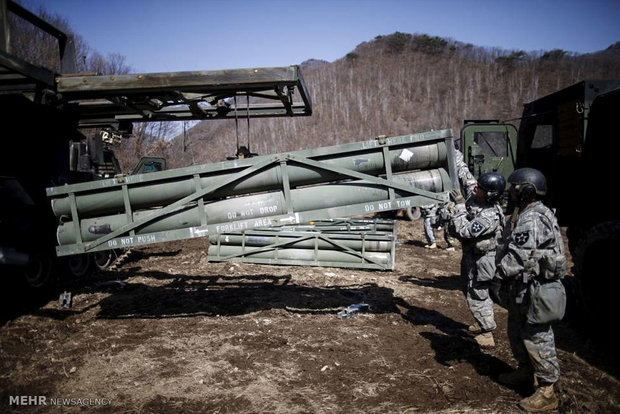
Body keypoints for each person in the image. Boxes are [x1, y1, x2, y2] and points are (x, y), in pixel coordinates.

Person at [495, 168, 566, 412]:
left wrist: (496, 274)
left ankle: (547, 391)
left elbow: (519, 256)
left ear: (527, 190)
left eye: (514, 187)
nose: (510, 192)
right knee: (516, 329)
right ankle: (525, 370)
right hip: (523, 287)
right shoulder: (523, 213)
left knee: (537, 336)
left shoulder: (533, 218)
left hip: (538, 289)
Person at [450, 172, 506, 348]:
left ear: (489, 194)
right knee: (468, 289)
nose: (475, 188)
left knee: (478, 293)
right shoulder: (478, 202)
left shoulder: (489, 216)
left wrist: (459, 207)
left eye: (480, 188)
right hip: (472, 256)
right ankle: (480, 320)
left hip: (483, 260)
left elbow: (464, 231)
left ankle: (487, 332)